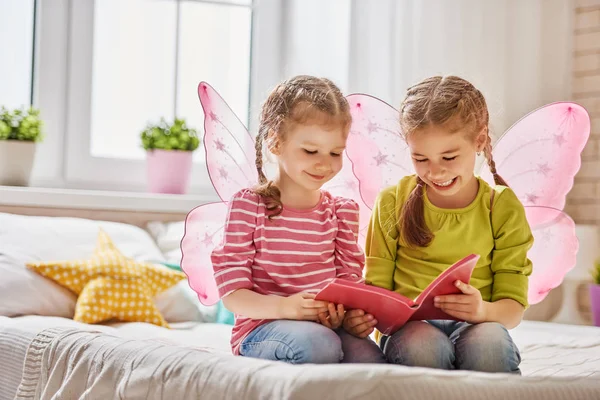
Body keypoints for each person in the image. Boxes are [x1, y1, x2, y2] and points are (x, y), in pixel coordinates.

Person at [344, 75, 532, 373]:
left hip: (480, 323)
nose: (435, 171)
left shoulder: (501, 206)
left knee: (490, 346)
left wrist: (482, 310)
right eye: (420, 158)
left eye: (449, 156)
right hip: (410, 329)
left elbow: (512, 311)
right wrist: (363, 317)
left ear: (479, 140)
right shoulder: (393, 201)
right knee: (423, 347)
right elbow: (377, 289)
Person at [211, 75, 386, 364]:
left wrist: (350, 318)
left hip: (326, 330)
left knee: (372, 359)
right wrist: (286, 307)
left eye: (335, 152)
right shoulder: (249, 206)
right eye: (310, 151)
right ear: (276, 142)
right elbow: (233, 295)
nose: (324, 163)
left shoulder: (341, 212)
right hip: (263, 327)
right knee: (319, 346)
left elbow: (348, 288)